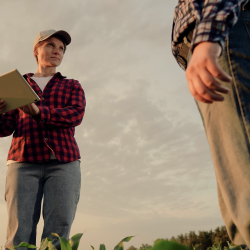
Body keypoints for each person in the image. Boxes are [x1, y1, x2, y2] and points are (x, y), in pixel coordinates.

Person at [172, 0, 250, 249]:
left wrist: (208, 36)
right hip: (219, 33)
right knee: (233, 183)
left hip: (225, 31)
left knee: (242, 174)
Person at [0, 29, 86, 250]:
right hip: (22, 162)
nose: (56, 51)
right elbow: (5, 128)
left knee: (57, 234)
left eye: (61, 48)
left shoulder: (72, 85)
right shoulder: (16, 86)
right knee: (19, 234)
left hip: (63, 163)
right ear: (36, 51)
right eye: (50, 45)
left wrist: (38, 112)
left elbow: (75, 115)